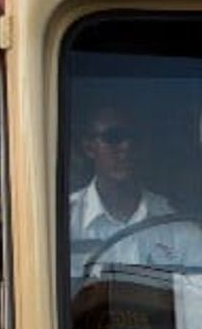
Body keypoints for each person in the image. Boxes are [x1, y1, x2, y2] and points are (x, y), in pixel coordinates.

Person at [69, 103, 202, 276]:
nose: (126, 147)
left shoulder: (177, 224)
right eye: (113, 137)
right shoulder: (65, 221)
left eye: (135, 138)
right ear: (89, 147)